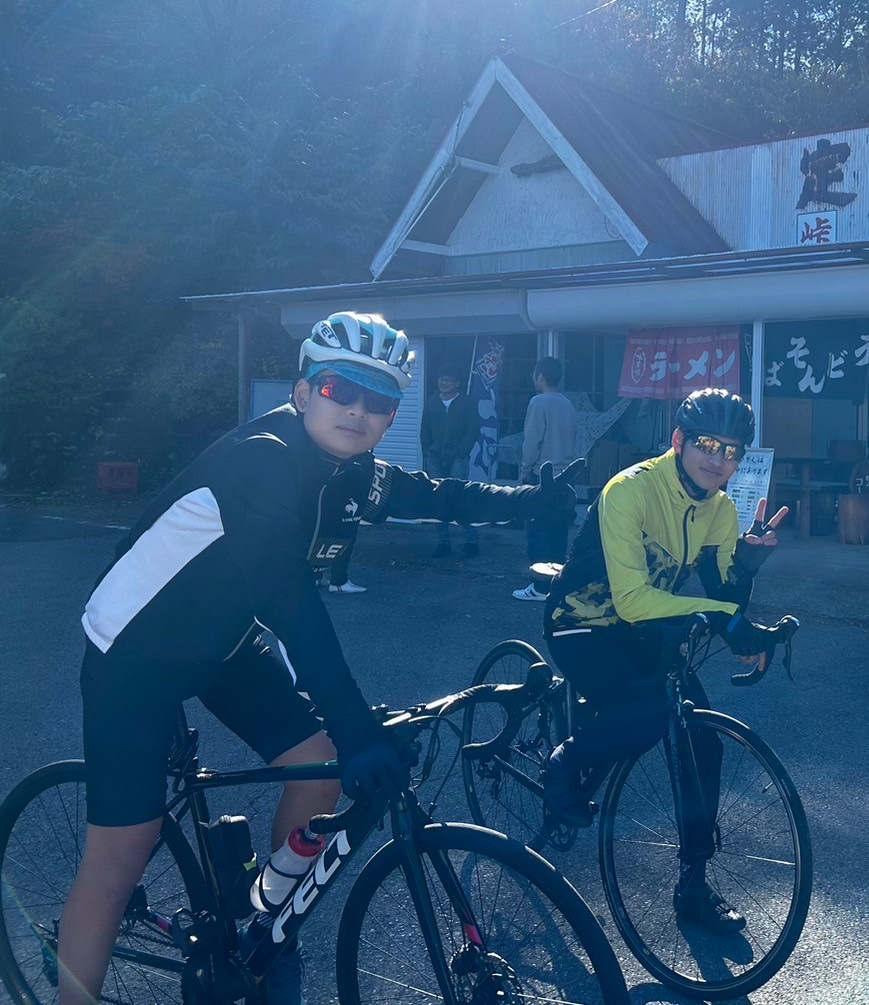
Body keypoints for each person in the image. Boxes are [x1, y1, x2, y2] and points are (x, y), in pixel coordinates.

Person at [58, 311, 576, 1005]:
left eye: (379, 400)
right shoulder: (261, 461)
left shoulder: (347, 469)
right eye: (340, 389)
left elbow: (433, 493)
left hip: (223, 641)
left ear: (391, 414)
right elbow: (292, 609)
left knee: (318, 769)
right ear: (303, 392)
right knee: (121, 853)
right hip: (135, 653)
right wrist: (358, 729)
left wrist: (532, 500)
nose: (358, 410)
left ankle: (265, 923)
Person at [542, 387, 788, 936]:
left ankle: (694, 885)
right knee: (647, 718)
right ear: (678, 441)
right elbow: (633, 601)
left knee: (703, 741)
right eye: (706, 444)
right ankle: (564, 761)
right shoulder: (628, 490)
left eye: (731, 451)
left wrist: (746, 566)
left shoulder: (721, 511)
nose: (718, 460)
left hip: (646, 631)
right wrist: (727, 618)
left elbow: (722, 597)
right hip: (581, 623)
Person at [513, 356, 579, 602]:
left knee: (538, 532)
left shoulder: (538, 402)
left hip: (543, 476)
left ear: (540, 376)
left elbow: (532, 441)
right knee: (558, 533)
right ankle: (556, 585)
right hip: (565, 477)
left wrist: (524, 471)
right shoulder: (567, 404)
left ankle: (539, 588)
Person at [420, 366, 483, 558]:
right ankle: (443, 543)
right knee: (439, 500)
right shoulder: (431, 403)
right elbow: (424, 430)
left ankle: (471, 541)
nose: (444, 383)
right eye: (441, 379)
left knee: (460, 498)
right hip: (435, 458)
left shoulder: (467, 403)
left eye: (448, 380)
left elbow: (473, 430)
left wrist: (462, 452)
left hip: (458, 458)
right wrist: (428, 451)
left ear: (457, 383)